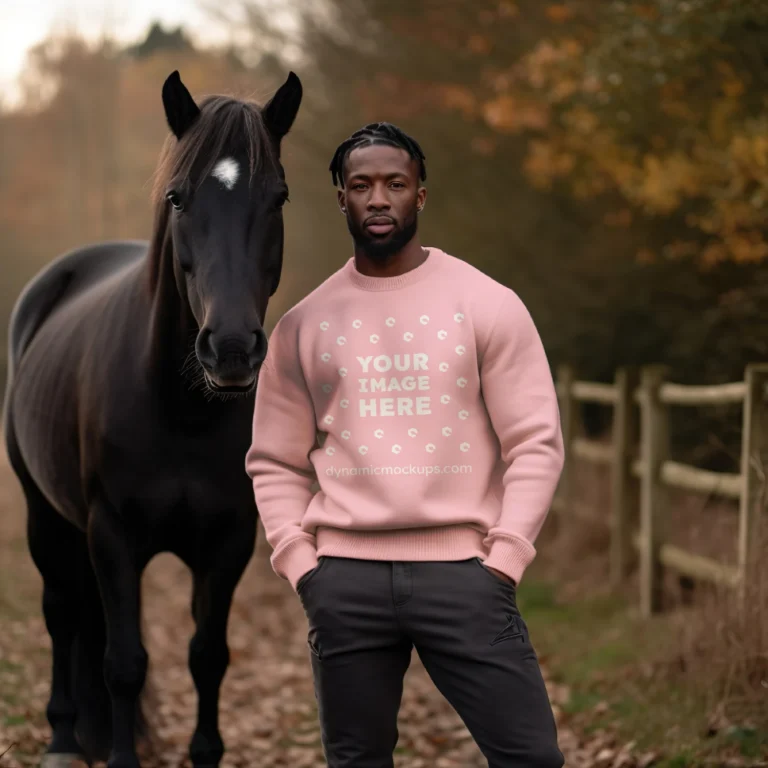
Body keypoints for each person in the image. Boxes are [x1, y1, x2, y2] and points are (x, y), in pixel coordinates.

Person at [245, 122, 565, 768]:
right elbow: (274, 461)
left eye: (396, 183)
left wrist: (504, 560)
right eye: (361, 185)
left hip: (467, 578)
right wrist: (302, 565)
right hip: (344, 584)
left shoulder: (487, 304)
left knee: (532, 759)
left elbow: (535, 442)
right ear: (340, 197)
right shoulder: (303, 325)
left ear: (422, 194)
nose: (379, 198)